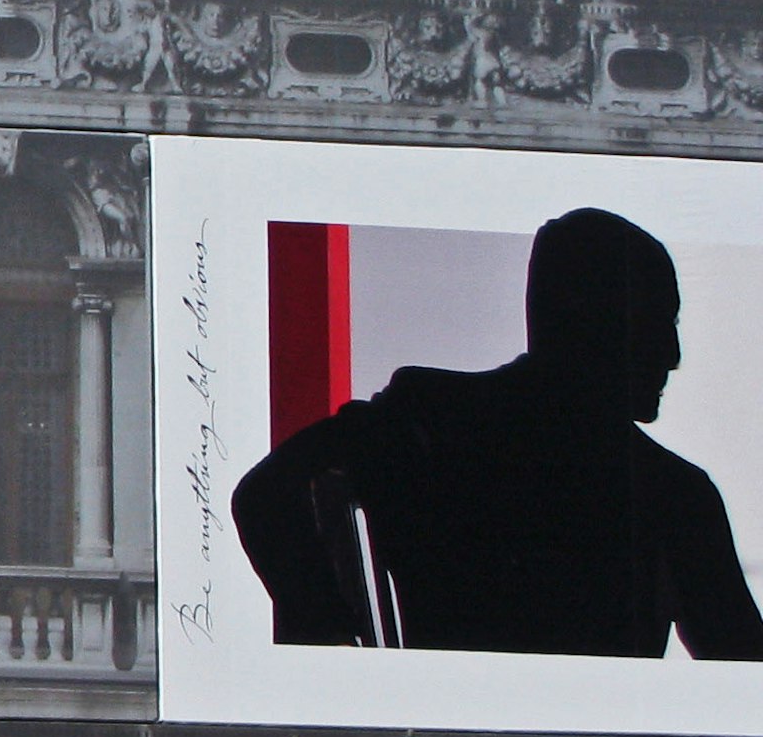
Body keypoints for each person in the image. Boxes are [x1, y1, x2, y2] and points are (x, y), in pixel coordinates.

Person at [237, 210, 763, 660]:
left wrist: (326, 643)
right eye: (656, 323)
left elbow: (265, 495)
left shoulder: (433, 414)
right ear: (596, 323)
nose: (672, 356)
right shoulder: (675, 494)